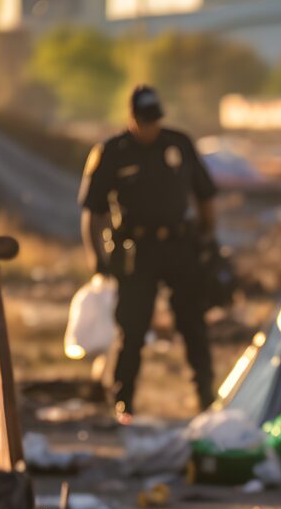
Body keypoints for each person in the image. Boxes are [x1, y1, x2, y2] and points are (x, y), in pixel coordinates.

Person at [79, 85, 219, 422]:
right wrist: (96, 259)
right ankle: (123, 401)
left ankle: (205, 399)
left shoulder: (179, 144)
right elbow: (92, 213)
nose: (151, 127)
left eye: (155, 120)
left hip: (179, 247)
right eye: (145, 121)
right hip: (135, 252)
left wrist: (206, 237)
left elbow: (206, 195)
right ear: (132, 119)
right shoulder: (112, 151)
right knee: (133, 328)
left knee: (193, 325)